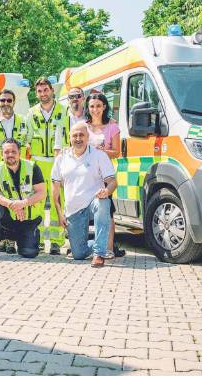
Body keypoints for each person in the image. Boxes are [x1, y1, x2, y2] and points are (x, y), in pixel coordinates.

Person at [52, 122, 117, 268]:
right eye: (75, 135)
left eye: (82, 135)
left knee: (103, 202)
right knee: (79, 254)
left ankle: (99, 254)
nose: (78, 138)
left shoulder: (99, 155)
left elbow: (112, 181)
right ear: (69, 138)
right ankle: (103, 243)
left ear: (88, 137)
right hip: (73, 211)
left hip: (93, 203)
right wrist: (59, 213)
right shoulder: (61, 158)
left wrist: (106, 191)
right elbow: (55, 190)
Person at [0, 138, 47, 260]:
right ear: (1, 154)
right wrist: (12, 204)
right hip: (8, 220)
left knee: (29, 253)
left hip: (27, 219)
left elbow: (42, 193)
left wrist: (23, 203)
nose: (10, 155)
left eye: (13, 151)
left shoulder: (32, 167)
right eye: (6, 152)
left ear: (20, 153)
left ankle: (27, 238)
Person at [25, 77, 67, 255]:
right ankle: (39, 239)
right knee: (37, 202)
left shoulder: (64, 111)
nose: (43, 94)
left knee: (58, 200)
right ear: (37, 94)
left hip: (59, 161)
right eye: (40, 91)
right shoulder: (31, 113)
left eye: (46, 90)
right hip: (38, 161)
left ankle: (57, 241)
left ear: (52, 91)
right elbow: (25, 140)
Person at [0, 89, 29, 253]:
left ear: (14, 102)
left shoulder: (23, 121)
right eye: (2, 100)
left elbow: (27, 142)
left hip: (17, 167)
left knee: (16, 200)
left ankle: (12, 240)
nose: (5, 103)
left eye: (9, 100)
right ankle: (1, 239)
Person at [85, 92, 125, 258]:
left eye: (98, 106)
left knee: (107, 211)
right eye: (92, 106)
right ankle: (87, 246)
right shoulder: (83, 126)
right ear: (88, 108)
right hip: (87, 174)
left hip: (105, 175)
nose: (95, 110)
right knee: (85, 208)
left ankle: (108, 248)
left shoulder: (112, 127)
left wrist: (103, 152)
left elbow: (117, 152)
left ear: (104, 107)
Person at [53, 87, 87, 154]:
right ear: (68, 99)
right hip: (69, 159)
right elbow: (57, 146)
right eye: (71, 96)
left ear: (83, 98)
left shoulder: (90, 116)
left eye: (78, 96)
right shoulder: (61, 118)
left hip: (88, 157)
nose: (75, 99)